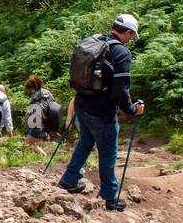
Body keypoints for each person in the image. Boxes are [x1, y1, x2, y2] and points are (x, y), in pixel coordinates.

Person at [58, 13, 145, 210]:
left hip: (82, 103)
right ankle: (109, 197)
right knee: (108, 153)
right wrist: (132, 110)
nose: (131, 39)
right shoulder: (121, 53)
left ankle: (70, 179)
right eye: (132, 35)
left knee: (86, 143)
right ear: (128, 32)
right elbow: (120, 91)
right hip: (101, 111)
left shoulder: (96, 41)